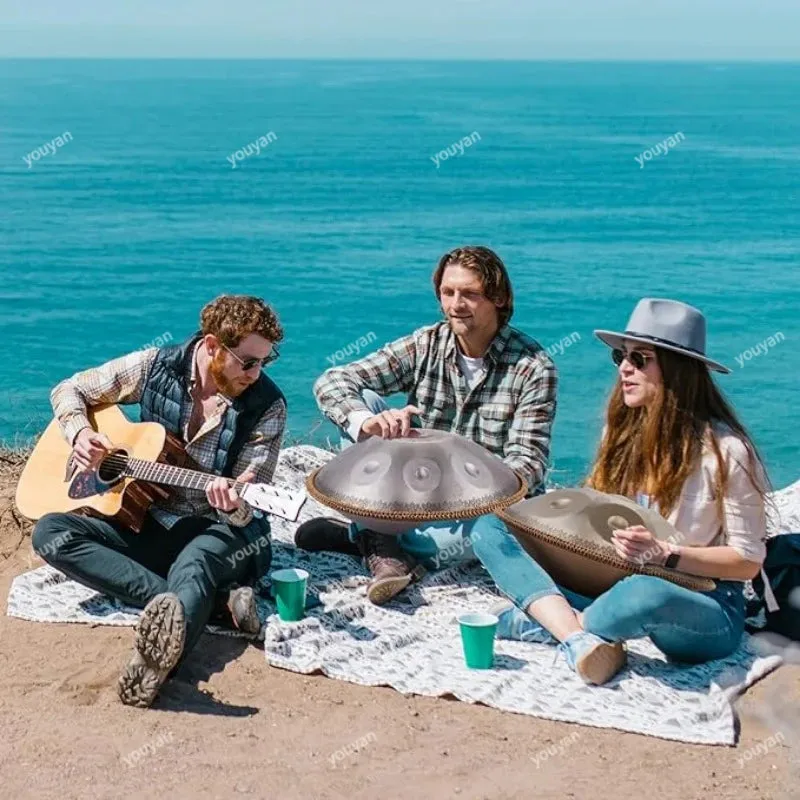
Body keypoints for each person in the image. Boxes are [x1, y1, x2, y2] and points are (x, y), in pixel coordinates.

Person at [491, 298, 771, 684]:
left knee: (645, 592)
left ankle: (553, 621)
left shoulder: (727, 452)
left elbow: (747, 561)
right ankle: (579, 637)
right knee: (495, 527)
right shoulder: (621, 435)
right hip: (614, 578)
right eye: (621, 356)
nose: (624, 367)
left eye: (640, 359)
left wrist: (667, 555)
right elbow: (595, 514)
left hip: (700, 600)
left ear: (677, 371)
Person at [32, 295, 287, 707]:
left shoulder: (267, 408)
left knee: (196, 563)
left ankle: (156, 665)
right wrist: (80, 435)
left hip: (219, 528)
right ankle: (213, 605)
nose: (256, 374)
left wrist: (232, 504)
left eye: (264, 362)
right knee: (51, 533)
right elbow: (70, 388)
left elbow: (249, 507)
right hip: (146, 517)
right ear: (210, 346)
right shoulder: (155, 365)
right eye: (247, 362)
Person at [295, 245, 559, 604]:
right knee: (368, 403)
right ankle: (384, 539)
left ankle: (374, 539)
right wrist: (369, 422)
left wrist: (466, 500)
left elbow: (528, 466)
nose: (455, 304)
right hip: (415, 493)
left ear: (497, 298)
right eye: (447, 293)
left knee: (486, 533)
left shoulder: (533, 367)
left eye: (469, 294)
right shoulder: (427, 344)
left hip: (480, 510)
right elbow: (333, 380)